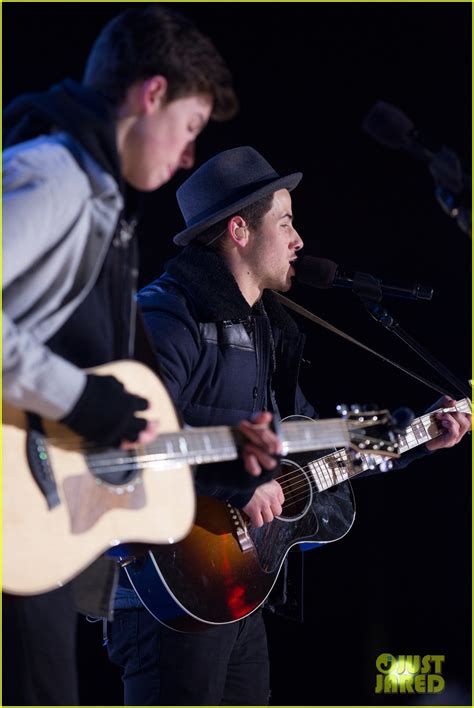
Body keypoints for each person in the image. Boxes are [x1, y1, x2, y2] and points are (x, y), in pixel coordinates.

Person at [106, 145, 472, 706]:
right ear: (239, 230)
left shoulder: (268, 331)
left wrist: (419, 436)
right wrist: (240, 485)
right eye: (286, 222)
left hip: (236, 594)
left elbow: (310, 458)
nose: (299, 240)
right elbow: (124, 443)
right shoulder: (168, 317)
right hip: (168, 601)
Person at [2, 11, 282, 706]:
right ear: (151, 94)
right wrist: (78, 399)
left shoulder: (95, 200)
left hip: (41, 515)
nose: (189, 155)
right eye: (190, 128)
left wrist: (220, 449)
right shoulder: (55, 175)